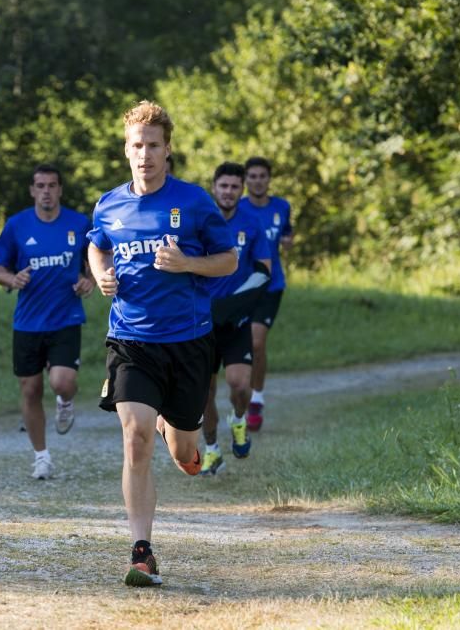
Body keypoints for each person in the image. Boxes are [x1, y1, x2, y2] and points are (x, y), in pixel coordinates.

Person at [87, 100, 237, 587]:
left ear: (167, 150)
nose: (145, 154)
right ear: (126, 150)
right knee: (135, 440)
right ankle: (142, 551)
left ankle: (179, 431)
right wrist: (101, 273)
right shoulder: (109, 204)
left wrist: (188, 264)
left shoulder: (193, 203)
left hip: (189, 343)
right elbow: (97, 243)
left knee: (184, 453)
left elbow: (229, 260)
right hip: (131, 339)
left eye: (154, 146)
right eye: (137, 146)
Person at [0, 164, 94, 480]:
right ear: (32, 190)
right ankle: (41, 457)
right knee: (31, 390)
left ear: (60, 189)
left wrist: (89, 280)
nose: (46, 191)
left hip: (65, 318)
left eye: (52, 185)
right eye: (40, 185)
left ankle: (65, 400)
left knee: (61, 381)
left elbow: (98, 261)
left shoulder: (79, 224)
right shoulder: (17, 226)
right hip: (28, 323)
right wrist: (12, 277)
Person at [200, 162, 271, 475]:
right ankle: (213, 450)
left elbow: (264, 271)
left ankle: (239, 421)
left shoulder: (253, 224)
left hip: (236, 323)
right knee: (206, 392)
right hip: (201, 322)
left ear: (241, 190)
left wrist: (233, 306)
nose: (228, 192)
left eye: (234, 187)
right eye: (223, 186)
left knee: (239, 385)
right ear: (214, 187)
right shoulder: (198, 222)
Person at [242, 156, 293, 431]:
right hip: (240, 287)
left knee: (257, 342)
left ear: (269, 179)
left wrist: (288, 241)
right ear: (246, 180)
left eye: (262, 176)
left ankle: (256, 399)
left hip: (271, 286)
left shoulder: (281, 207)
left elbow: (286, 232)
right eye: (253, 176)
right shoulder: (236, 209)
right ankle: (239, 395)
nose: (258, 181)